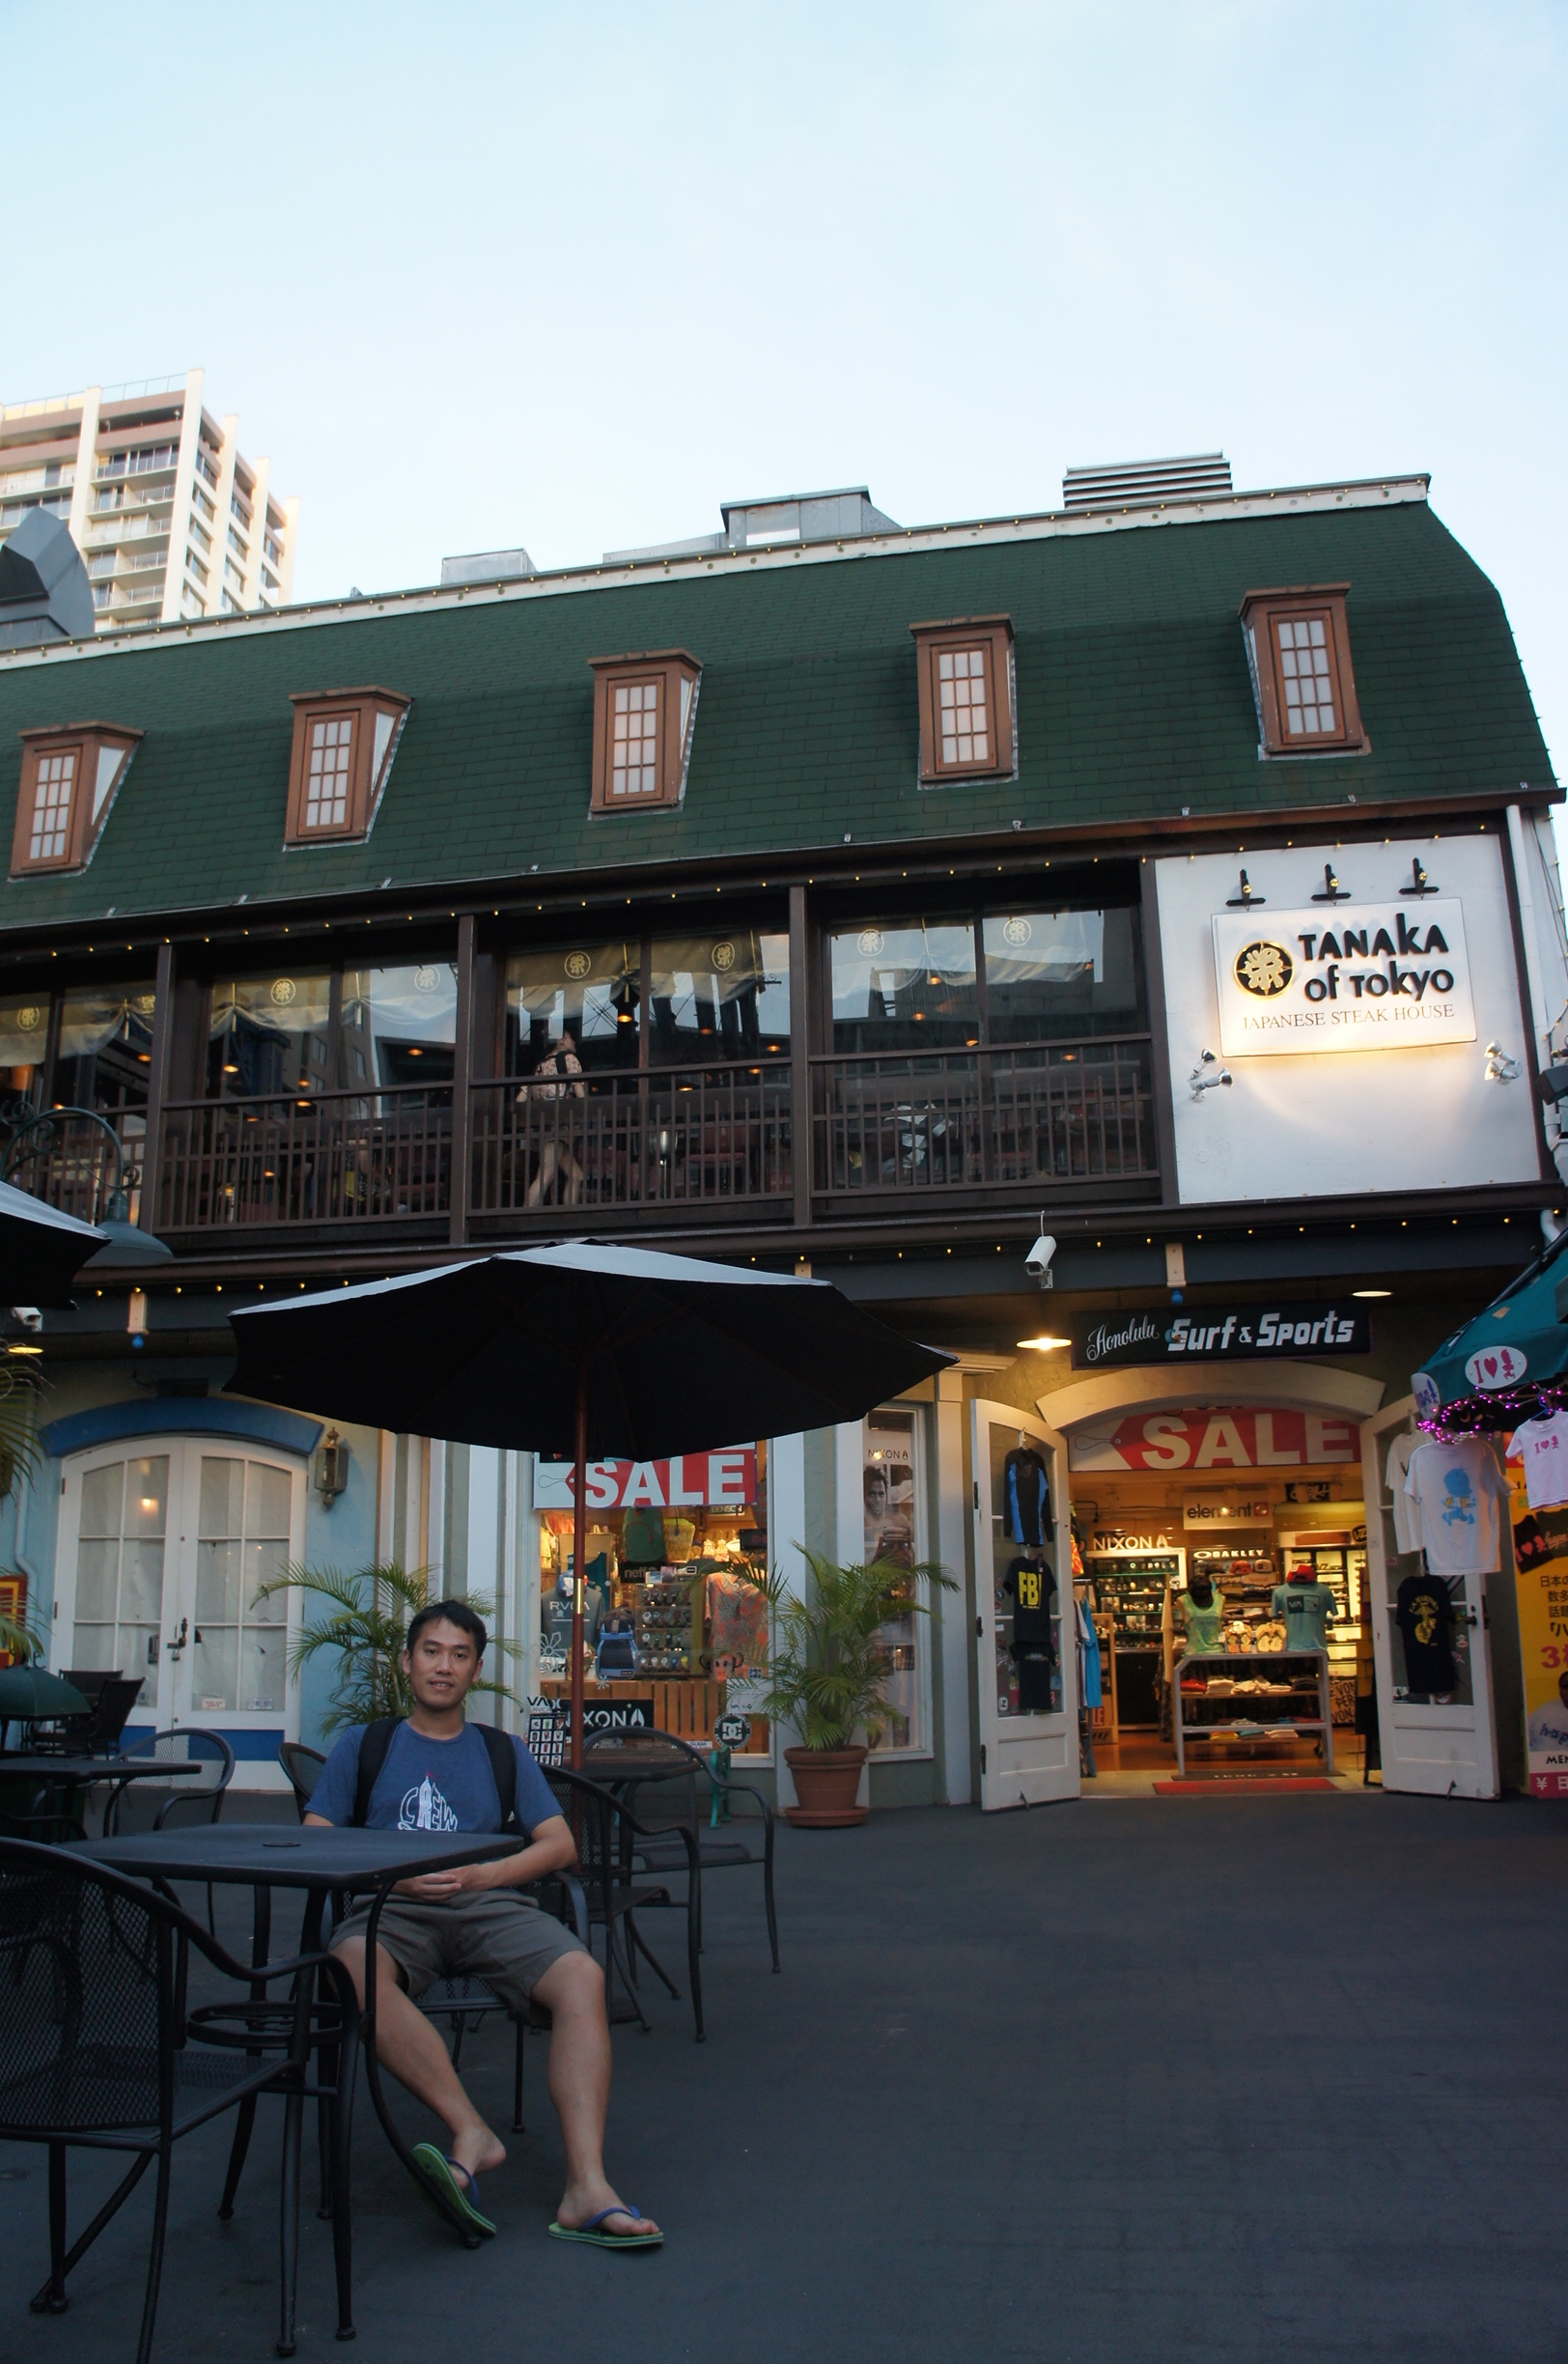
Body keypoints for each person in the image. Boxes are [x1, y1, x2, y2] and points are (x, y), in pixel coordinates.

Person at [304, 1598, 659, 2249]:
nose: (444, 1666)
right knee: (351, 1967)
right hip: (391, 1907)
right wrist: (395, 1877)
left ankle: (587, 2186)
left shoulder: (502, 1751)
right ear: (407, 1662)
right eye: (432, 1652)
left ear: (475, 1670)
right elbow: (315, 1839)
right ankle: (471, 2129)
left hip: (490, 1905)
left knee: (581, 1976)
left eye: (459, 1655)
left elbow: (560, 1845)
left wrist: (484, 1876)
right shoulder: (366, 1745)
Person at [522, 1030, 584, 1207]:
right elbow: (581, 1094)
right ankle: (525, 1214)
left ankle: (569, 1216)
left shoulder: (540, 1067)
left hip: (542, 1123)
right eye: (571, 1038)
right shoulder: (569, 1060)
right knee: (546, 1174)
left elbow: (521, 1097)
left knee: (576, 1175)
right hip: (559, 1123)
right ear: (561, 1040)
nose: (574, 1042)